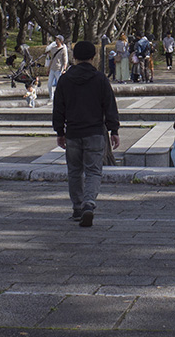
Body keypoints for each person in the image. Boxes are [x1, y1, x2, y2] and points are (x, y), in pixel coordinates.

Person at [52, 41, 120, 227]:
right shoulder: (100, 79)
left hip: (73, 132)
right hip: (95, 132)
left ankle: (77, 208)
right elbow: (110, 106)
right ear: (93, 58)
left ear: (74, 58)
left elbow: (58, 107)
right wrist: (114, 130)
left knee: (74, 171)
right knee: (93, 171)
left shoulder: (65, 79)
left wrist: (60, 131)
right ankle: (88, 203)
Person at [46, 35, 69, 102]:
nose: (56, 41)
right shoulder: (53, 49)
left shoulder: (63, 49)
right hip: (52, 69)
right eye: (56, 39)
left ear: (61, 41)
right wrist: (48, 68)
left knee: (59, 85)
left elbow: (65, 61)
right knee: (49, 84)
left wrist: (64, 69)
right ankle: (51, 97)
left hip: (59, 69)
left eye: (58, 39)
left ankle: (61, 97)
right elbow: (51, 59)